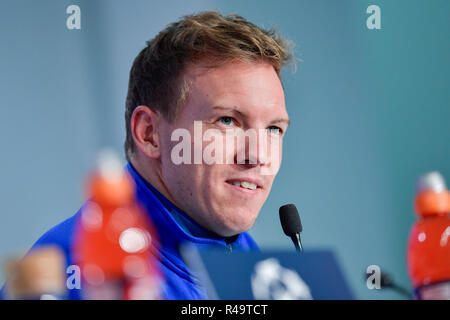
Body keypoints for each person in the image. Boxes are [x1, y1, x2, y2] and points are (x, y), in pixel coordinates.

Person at [1, 10, 293, 299]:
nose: (258, 156)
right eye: (227, 121)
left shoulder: (247, 257)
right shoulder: (72, 275)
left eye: (273, 129)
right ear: (149, 134)